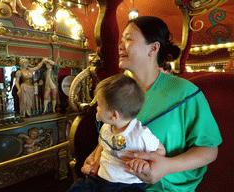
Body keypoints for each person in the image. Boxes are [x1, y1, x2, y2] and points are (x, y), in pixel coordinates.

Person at [82, 16, 222, 191]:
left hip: (164, 187)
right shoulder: (115, 88)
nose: (120, 46)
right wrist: (95, 156)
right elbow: (116, 131)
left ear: (153, 48)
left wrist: (167, 166)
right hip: (112, 182)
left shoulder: (185, 93)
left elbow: (209, 149)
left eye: (129, 39)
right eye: (122, 40)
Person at [68, 74, 166, 192]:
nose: (97, 108)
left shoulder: (140, 135)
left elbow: (161, 150)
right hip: (101, 179)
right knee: (78, 188)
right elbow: (103, 146)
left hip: (128, 185)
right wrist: (95, 163)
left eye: (99, 105)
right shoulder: (106, 127)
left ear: (114, 115)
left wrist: (144, 162)